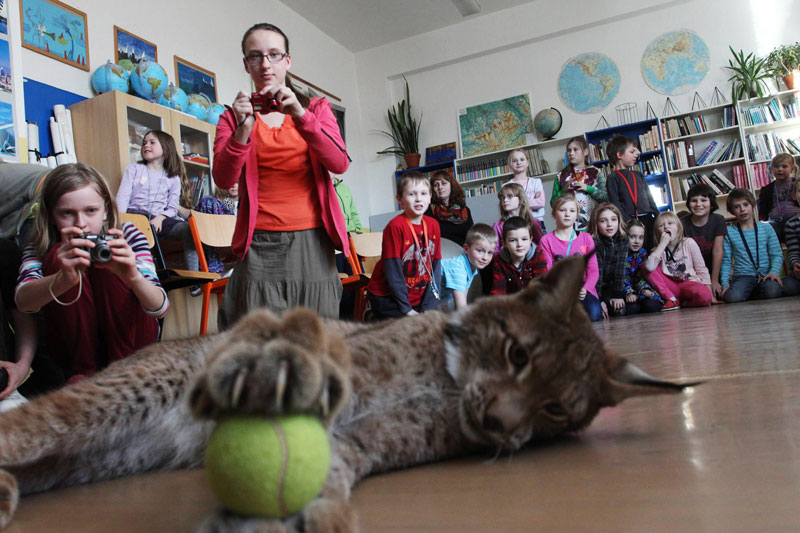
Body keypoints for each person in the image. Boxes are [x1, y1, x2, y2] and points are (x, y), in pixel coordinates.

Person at [212, 22, 350, 324]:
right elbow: (223, 179)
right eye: (256, 56)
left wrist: (301, 115)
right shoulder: (231, 117)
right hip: (258, 242)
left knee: (316, 334)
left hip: (312, 240)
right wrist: (243, 129)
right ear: (246, 64)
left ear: (288, 60)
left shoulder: (316, 108)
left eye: (274, 54)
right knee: (258, 336)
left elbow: (339, 163)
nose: (265, 64)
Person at [15, 163, 168, 382]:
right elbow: (23, 302)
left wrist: (132, 276)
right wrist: (62, 279)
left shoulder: (128, 235)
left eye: (90, 211)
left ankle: (121, 376)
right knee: (58, 254)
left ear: (105, 210)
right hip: (73, 356)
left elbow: (160, 307)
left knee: (112, 253)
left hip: (134, 350)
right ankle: (84, 374)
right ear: (51, 216)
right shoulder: (40, 245)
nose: (81, 224)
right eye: (67, 213)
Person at [116, 130, 198, 272]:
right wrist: (119, 221)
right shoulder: (134, 169)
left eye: (152, 142)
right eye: (144, 143)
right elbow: (122, 198)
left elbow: (172, 208)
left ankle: (194, 274)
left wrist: (160, 218)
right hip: (135, 215)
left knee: (188, 229)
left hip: (161, 219)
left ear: (165, 149)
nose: (146, 145)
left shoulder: (173, 178)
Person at [366, 172, 441, 318]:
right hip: (388, 297)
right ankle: (372, 316)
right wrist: (407, 310)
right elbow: (393, 271)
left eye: (423, 193)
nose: (418, 199)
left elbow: (436, 267)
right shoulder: (395, 226)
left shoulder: (433, 225)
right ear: (400, 199)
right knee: (408, 329)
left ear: (430, 197)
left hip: (415, 297)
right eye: (411, 194)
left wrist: (429, 306)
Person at [538, 195, 602, 321]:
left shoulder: (586, 238)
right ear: (554, 213)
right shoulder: (546, 240)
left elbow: (593, 270)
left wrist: (585, 289)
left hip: (583, 291)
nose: (567, 214)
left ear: (577, 214)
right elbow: (547, 272)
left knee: (594, 313)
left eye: (572, 211)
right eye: (562, 210)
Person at [720, 188, 784, 303]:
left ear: (753, 205)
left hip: (766, 274)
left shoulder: (766, 228)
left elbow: (776, 254)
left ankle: (753, 292)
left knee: (772, 291)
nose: (742, 209)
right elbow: (726, 261)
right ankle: (752, 292)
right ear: (731, 210)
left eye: (745, 204)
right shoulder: (729, 232)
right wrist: (725, 284)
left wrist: (774, 272)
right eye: (737, 207)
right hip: (743, 276)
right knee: (732, 297)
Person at [642, 211, 712, 310]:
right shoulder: (658, 250)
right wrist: (662, 244)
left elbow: (701, 269)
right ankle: (671, 299)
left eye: (670, 223)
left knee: (705, 296)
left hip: (690, 283)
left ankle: (684, 304)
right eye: (661, 225)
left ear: (678, 228)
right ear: (658, 233)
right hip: (670, 286)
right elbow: (649, 267)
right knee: (645, 265)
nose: (666, 227)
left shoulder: (689, 243)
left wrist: (709, 291)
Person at [606, 135, 660, 249]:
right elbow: (615, 203)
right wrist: (628, 221)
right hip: (629, 222)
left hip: (648, 219)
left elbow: (650, 198)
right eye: (632, 152)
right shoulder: (612, 178)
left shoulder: (639, 175)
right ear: (620, 155)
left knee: (650, 248)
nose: (636, 154)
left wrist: (658, 216)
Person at [680, 183, 726, 303]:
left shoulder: (718, 220)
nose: (698, 204)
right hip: (692, 272)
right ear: (688, 204)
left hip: (713, 269)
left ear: (711, 204)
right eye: (694, 201)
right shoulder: (682, 223)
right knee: (702, 297)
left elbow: (718, 251)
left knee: (725, 295)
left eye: (703, 200)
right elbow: (683, 258)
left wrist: (714, 280)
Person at [551, 136, 608, 231]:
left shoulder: (596, 172)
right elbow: (553, 203)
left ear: (585, 152)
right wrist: (563, 190)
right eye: (569, 150)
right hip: (570, 227)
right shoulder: (561, 175)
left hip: (594, 225)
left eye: (575, 149)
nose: (571, 153)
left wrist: (588, 188)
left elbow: (606, 197)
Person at [440, 223, 495, 309]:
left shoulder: (471, 268)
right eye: (480, 251)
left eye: (490, 252)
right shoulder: (458, 268)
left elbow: (463, 298)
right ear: (466, 249)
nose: (485, 257)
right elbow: (461, 308)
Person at [589, 203, 629, 318]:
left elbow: (620, 269)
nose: (609, 224)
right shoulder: (593, 241)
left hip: (612, 287)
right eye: (603, 221)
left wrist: (618, 295)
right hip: (595, 288)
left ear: (619, 221)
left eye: (613, 219)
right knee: (596, 314)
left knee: (620, 311)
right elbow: (596, 273)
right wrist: (599, 299)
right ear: (596, 223)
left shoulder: (623, 239)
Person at [490, 216, 547, 295]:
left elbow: (542, 286)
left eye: (524, 239)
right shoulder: (499, 260)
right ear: (504, 243)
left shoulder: (537, 255)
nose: (519, 244)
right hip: (510, 301)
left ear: (530, 240)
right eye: (513, 240)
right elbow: (498, 292)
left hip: (534, 299)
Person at [624, 219, 664, 314]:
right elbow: (621, 279)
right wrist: (629, 293)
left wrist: (645, 289)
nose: (637, 241)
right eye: (632, 237)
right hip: (627, 291)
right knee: (632, 308)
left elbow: (645, 276)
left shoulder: (644, 255)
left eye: (641, 237)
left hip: (643, 289)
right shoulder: (621, 255)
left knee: (651, 306)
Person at [757, 153, 799, 242]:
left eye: (784, 166)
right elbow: (763, 212)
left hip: (795, 221)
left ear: (792, 169)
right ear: (772, 169)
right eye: (776, 167)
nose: (780, 169)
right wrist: (762, 224)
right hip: (776, 222)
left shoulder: (797, 184)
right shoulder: (766, 189)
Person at [492, 182, 543, 253]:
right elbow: (494, 250)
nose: (505, 200)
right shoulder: (498, 225)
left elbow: (541, 244)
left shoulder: (533, 222)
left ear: (521, 199)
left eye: (510, 196)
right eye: (502, 198)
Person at [425, 170, 473, 246]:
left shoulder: (464, 211)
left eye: (444, 183)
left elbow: (472, 237)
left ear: (452, 185)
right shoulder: (428, 211)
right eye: (436, 185)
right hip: (440, 251)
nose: (440, 187)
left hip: (462, 250)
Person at [504, 149, 545, 230]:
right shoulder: (506, 186)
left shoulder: (536, 182)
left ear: (527, 163)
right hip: (516, 224)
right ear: (510, 165)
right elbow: (508, 207)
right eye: (514, 161)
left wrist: (517, 203)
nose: (518, 162)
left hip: (537, 222)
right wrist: (531, 202)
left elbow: (540, 202)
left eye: (522, 159)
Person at [783, 179, 800, 296]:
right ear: (794, 196)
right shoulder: (791, 224)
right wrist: (795, 264)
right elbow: (793, 252)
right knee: (787, 286)